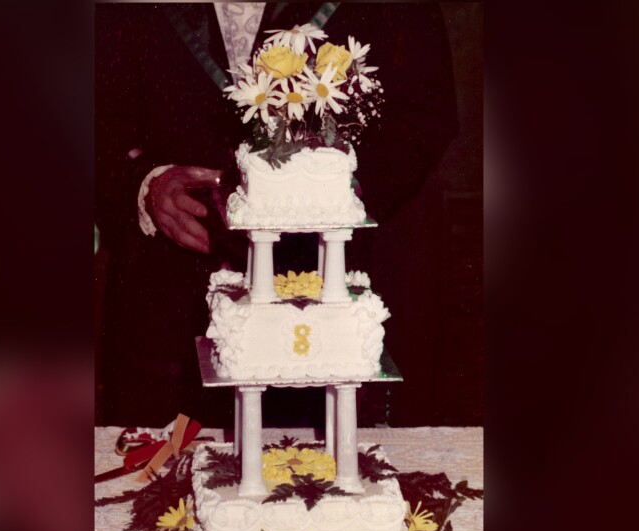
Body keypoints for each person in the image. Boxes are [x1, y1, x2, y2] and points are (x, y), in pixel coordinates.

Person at [95, 2, 458, 428]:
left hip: (324, 309)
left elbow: (426, 114)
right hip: (168, 315)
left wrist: (321, 188)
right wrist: (144, 183)